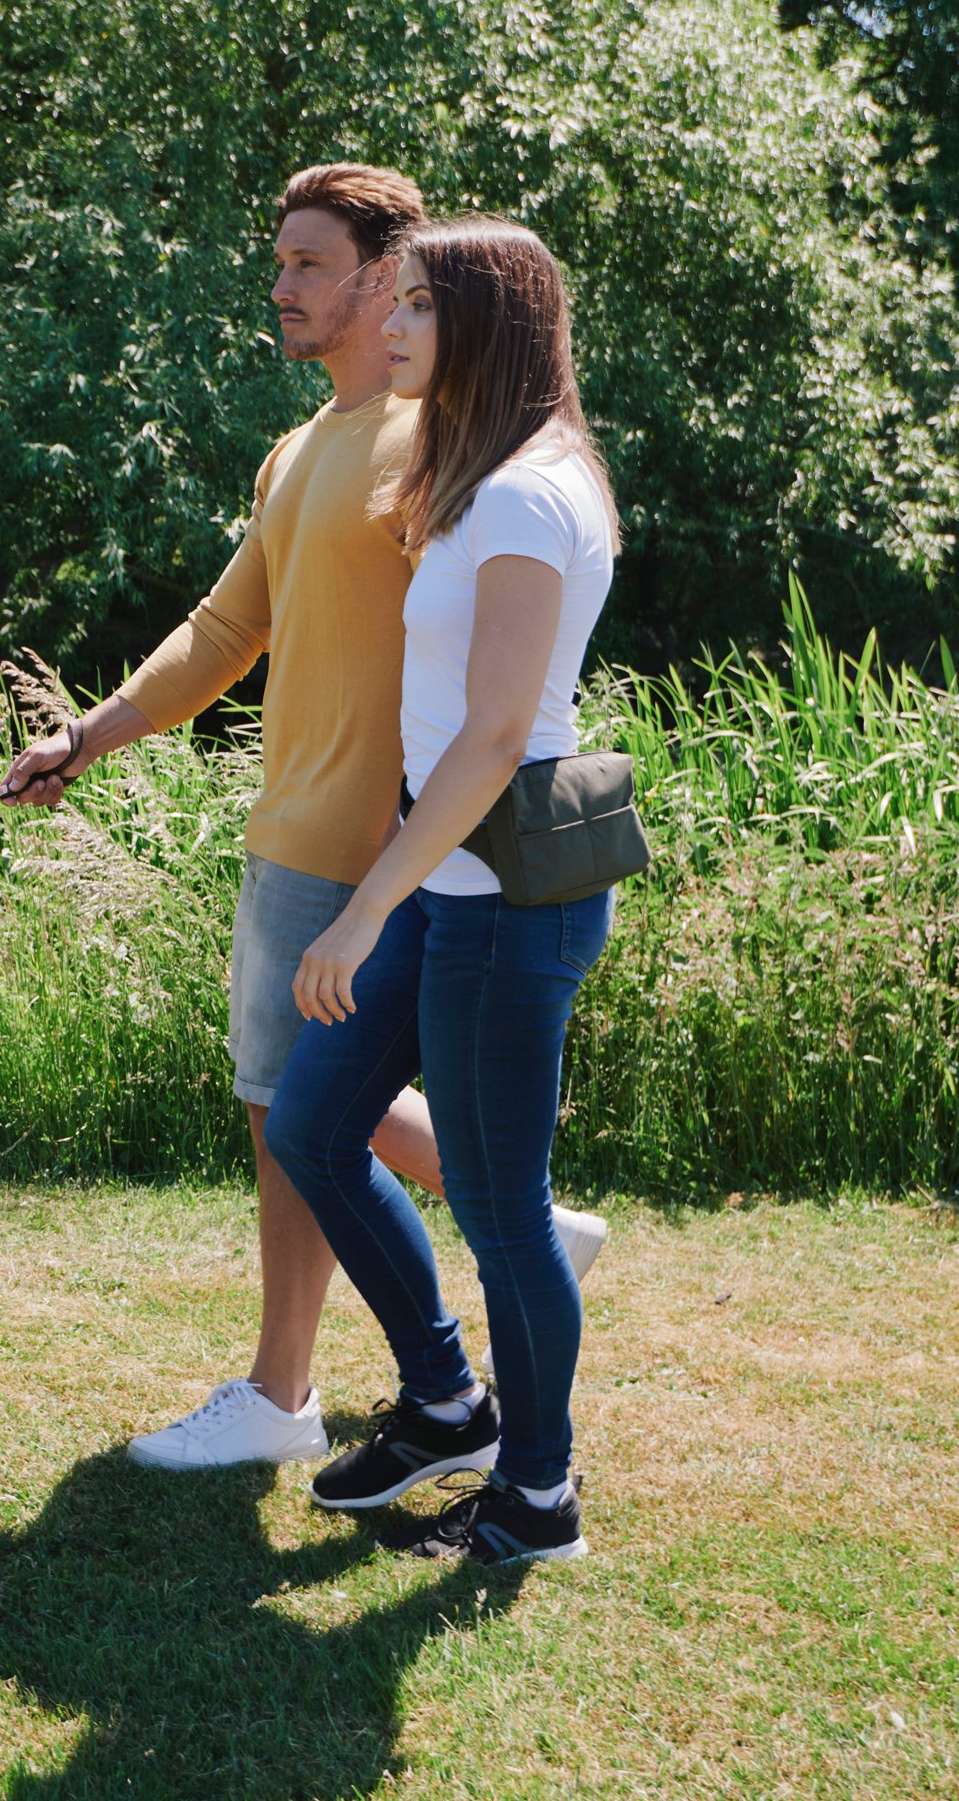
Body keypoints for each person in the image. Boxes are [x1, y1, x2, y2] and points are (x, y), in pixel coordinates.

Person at [4, 170, 607, 1470]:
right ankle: (485, 1250)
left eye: (307, 262)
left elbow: (488, 685)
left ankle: (299, 1386)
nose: (280, 285)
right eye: (277, 260)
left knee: (292, 1103)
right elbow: (230, 630)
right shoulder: (306, 447)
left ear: (389, 277)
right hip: (303, 826)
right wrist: (86, 737)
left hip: (373, 844)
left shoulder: (435, 445)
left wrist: (388, 861)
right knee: (290, 1102)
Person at [260, 215, 620, 1563]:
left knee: (503, 1210)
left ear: (487, 322)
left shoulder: (530, 491)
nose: (389, 324)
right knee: (313, 1122)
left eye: (415, 304)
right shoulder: (481, 476)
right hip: (448, 885)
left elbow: (492, 736)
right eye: (393, 301)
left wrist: (364, 907)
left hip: (497, 903)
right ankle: (445, 1399)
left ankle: (536, 1495)